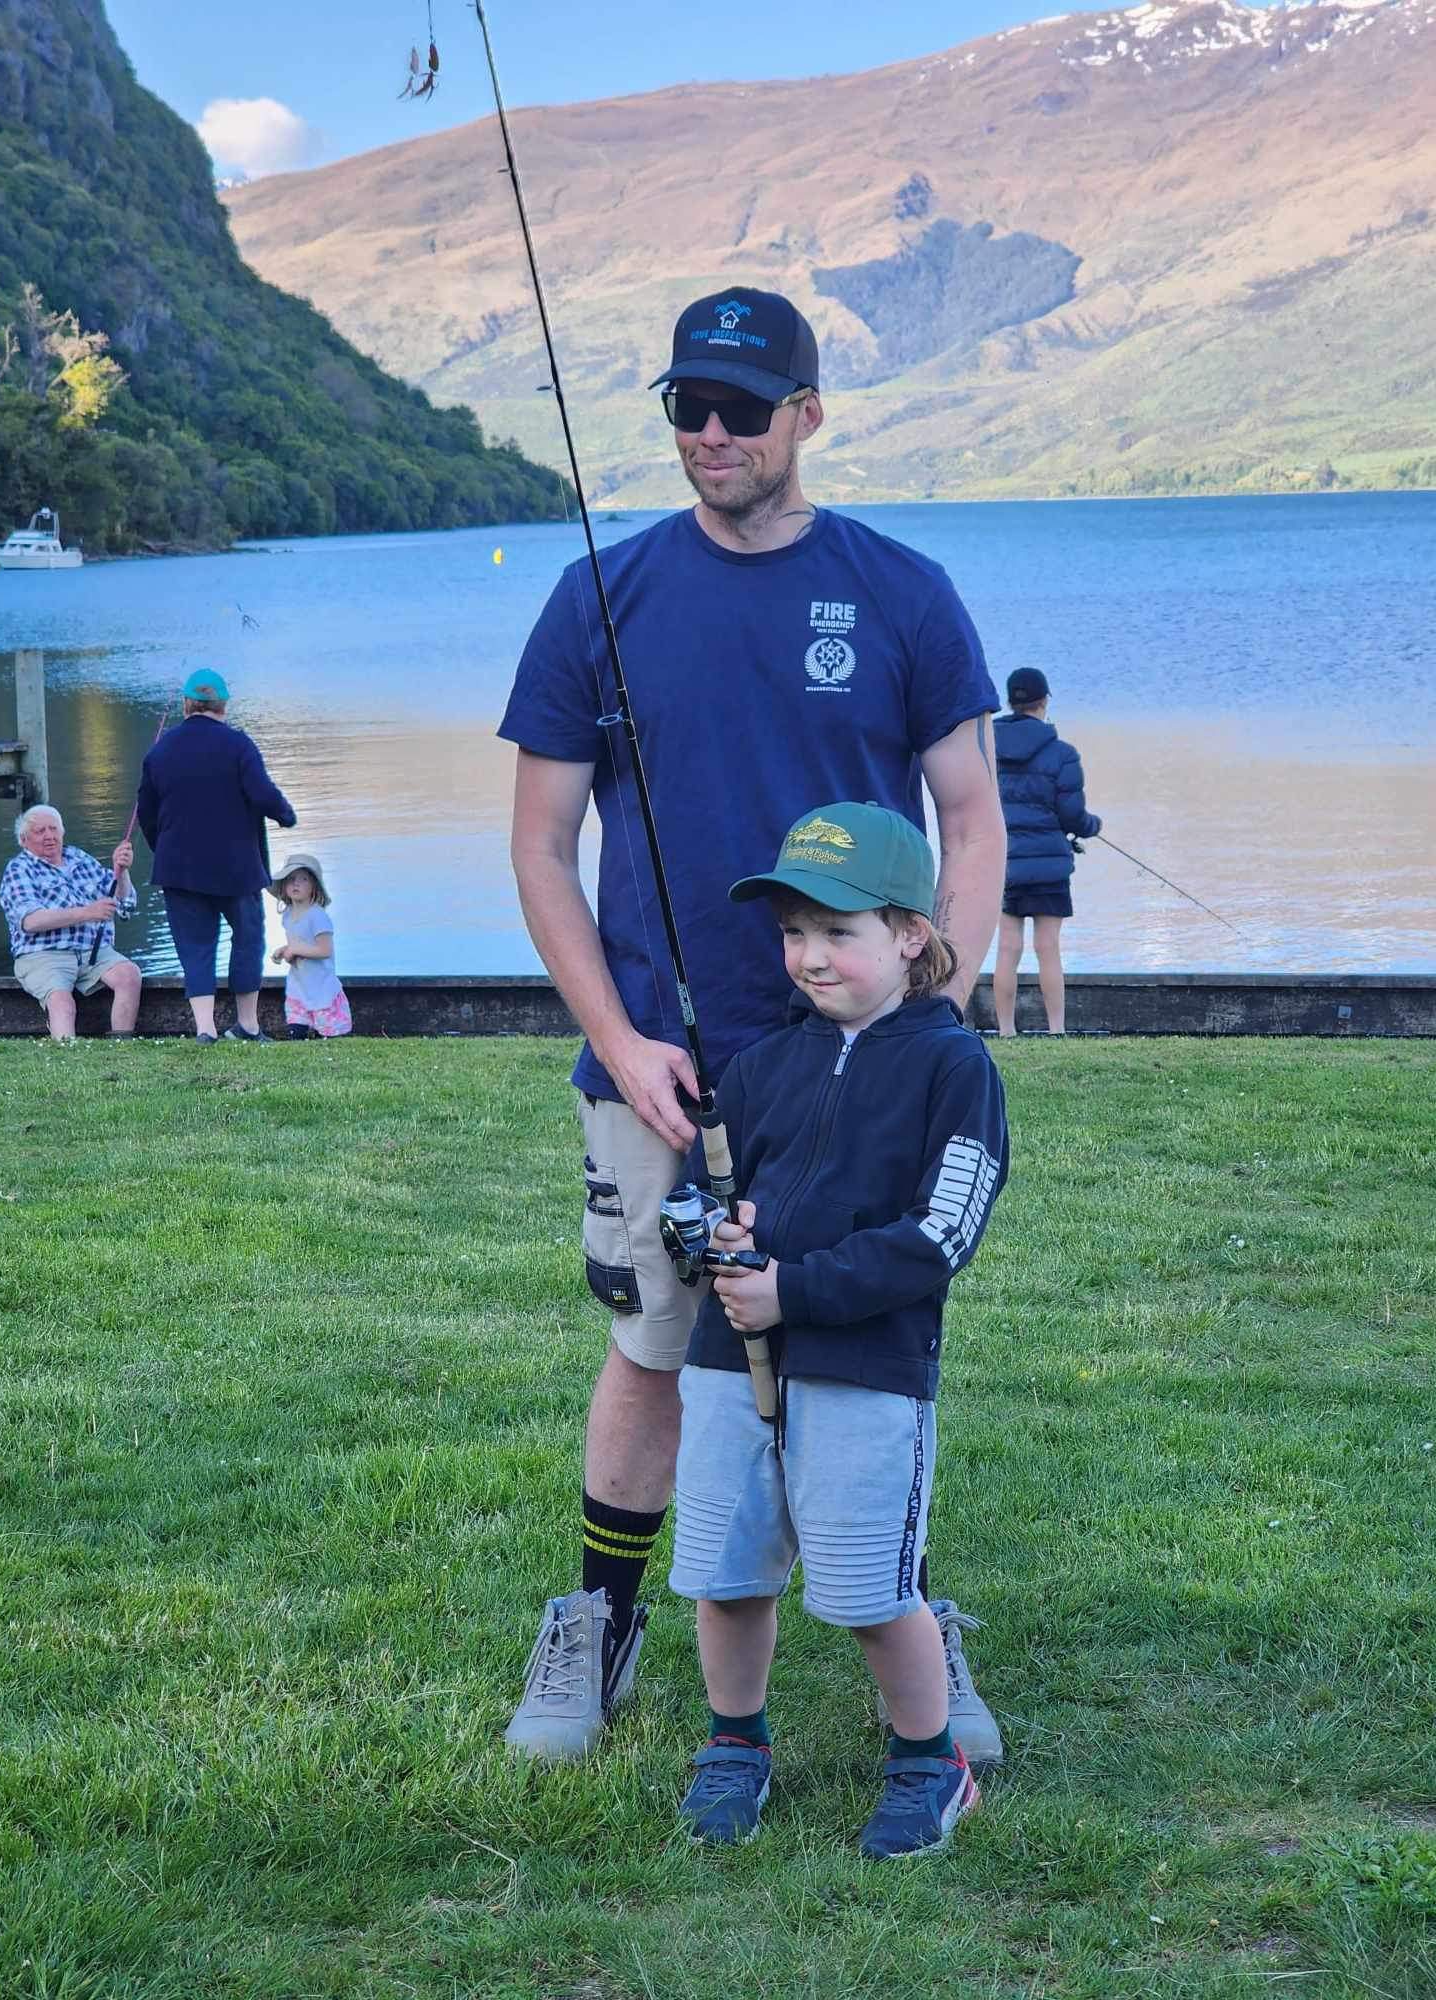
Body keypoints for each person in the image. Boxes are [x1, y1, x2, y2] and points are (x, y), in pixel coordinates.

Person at [498, 285, 1007, 1765]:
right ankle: (599, 1619)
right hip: (662, 1063)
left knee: (868, 1339)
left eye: (741, 408)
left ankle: (907, 1600)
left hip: (861, 1064)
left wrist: (932, 1006)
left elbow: (969, 821)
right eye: (684, 408)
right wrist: (625, 1033)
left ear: (810, 415)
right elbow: (539, 848)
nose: (709, 434)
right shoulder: (599, 597)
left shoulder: (904, 593)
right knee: (657, 1350)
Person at [668, 802, 1007, 1857]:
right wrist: (709, 1238)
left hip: (867, 1369)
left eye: (837, 932)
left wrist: (796, 1291)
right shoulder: (766, 1064)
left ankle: (928, 1759)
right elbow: (692, 1198)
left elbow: (940, 1232)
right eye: (792, 933)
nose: (810, 956)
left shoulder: (955, 1070)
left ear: (910, 933)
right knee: (726, 1573)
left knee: (871, 1590)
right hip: (731, 1363)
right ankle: (736, 1741)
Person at [136, 669, 296, 1045]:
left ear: (187, 704)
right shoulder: (238, 745)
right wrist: (286, 815)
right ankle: (248, 1025)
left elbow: (146, 814)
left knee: (195, 946)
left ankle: (205, 1029)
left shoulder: (160, 751)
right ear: (223, 705)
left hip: (179, 869)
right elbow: (262, 793)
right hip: (236, 868)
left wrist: (167, 850)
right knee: (249, 939)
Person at [992, 668, 1102, 1037]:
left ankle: (1006, 1031)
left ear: (1010, 701)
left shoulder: (985, 748)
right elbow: (1072, 815)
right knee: (1047, 948)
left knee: (1007, 948)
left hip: (1003, 862)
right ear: (1044, 702)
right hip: (1049, 867)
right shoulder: (1062, 754)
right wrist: (1092, 826)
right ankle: (1057, 1031)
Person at [0, 805, 142, 1042]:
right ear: (24, 840)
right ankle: (68, 1060)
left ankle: (122, 1044)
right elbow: (31, 921)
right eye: (40, 831)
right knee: (62, 1002)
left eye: (53, 829)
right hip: (42, 955)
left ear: (62, 833)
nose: (49, 836)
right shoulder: (18, 869)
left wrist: (122, 871)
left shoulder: (79, 858)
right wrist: (86, 913)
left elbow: (126, 906)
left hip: (94, 952)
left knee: (130, 975)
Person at [268, 852, 351, 1039]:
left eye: (303, 879)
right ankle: (297, 1037)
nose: (296, 884)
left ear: (314, 886)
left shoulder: (317, 916)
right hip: (299, 983)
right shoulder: (288, 915)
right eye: (290, 879)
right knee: (296, 1027)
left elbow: (324, 950)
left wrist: (295, 950)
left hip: (320, 984)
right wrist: (284, 950)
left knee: (329, 1030)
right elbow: (297, 943)